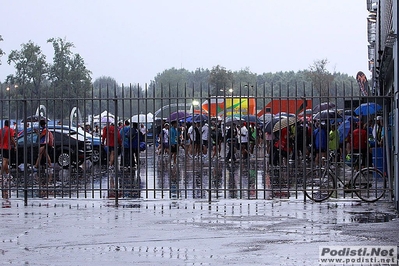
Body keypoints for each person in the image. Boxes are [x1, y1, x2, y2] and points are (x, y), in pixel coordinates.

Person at [1, 120, 16, 199]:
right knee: (5, 161)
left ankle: (6, 173)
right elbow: (12, 138)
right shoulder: (10, 130)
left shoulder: (1, 130)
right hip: (7, 147)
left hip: (2, 147)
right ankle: (3, 174)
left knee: (5, 160)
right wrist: (15, 145)